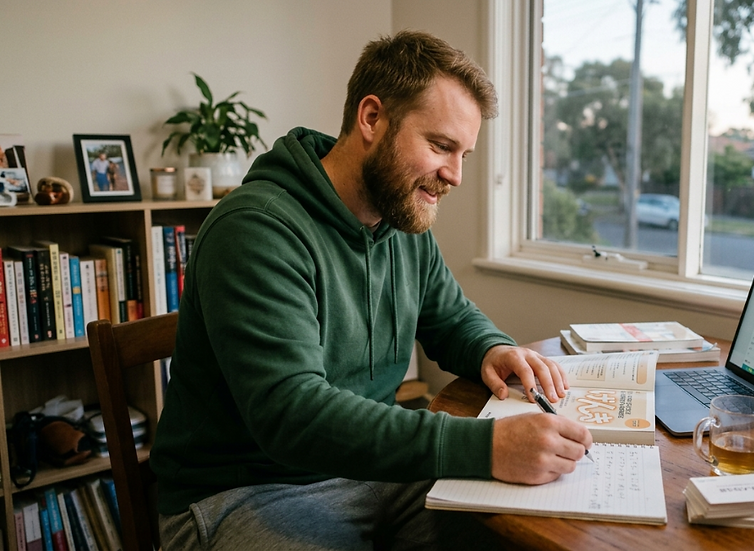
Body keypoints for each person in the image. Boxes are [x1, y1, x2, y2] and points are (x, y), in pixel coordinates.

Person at [151, 30, 593, 551]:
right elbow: (293, 414)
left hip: (369, 473)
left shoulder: (401, 219)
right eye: (440, 146)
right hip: (243, 493)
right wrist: (486, 446)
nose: (453, 174)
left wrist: (491, 348)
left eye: (464, 155)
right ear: (371, 118)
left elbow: (450, 318)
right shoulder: (254, 229)